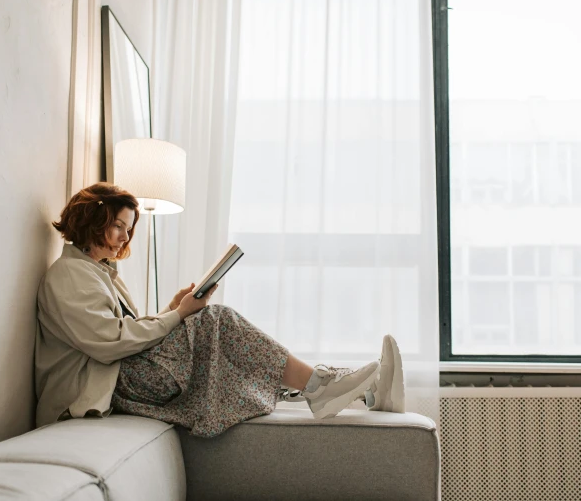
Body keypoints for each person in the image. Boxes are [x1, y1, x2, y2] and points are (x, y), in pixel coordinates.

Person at [35, 183, 405, 436]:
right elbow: (110, 342)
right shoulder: (69, 275)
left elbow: (119, 331)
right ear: (91, 220)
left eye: (127, 229)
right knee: (216, 321)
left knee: (214, 338)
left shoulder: (98, 273)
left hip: (118, 378)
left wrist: (172, 309)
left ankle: (364, 391)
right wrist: (178, 314)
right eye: (117, 226)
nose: (123, 237)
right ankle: (320, 386)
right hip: (101, 389)